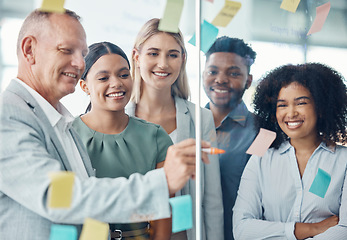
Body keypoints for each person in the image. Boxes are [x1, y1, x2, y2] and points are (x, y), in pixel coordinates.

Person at [0, 9, 210, 240]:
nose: (79, 63)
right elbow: (60, 196)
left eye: (82, 52)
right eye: (66, 50)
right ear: (29, 50)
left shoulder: (59, 121)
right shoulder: (9, 116)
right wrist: (161, 183)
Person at [126, 18, 224, 240]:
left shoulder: (202, 119)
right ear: (136, 57)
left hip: (183, 233)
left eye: (172, 55)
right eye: (153, 53)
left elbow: (212, 200)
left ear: (183, 59)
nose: (163, 64)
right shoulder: (119, 115)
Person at [233, 63, 347, 239]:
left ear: (322, 108)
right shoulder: (261, 158)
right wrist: (311, 229)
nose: (291, 113)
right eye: (282, 105)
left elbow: (344, 229)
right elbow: (242, 229)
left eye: (301, 103)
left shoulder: (343, 161)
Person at [72, 41, 172, 240]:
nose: (116, 83)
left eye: (124, 75)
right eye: (103, 77)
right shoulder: (67, 135)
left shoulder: (156, 137)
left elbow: (163, 214)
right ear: (84, 86)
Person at [202, 36, 257, 240]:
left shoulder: (263, 132)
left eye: (233, 73)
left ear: (248, 81)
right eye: (212, 71)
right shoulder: (188, 124)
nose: (221, 79)